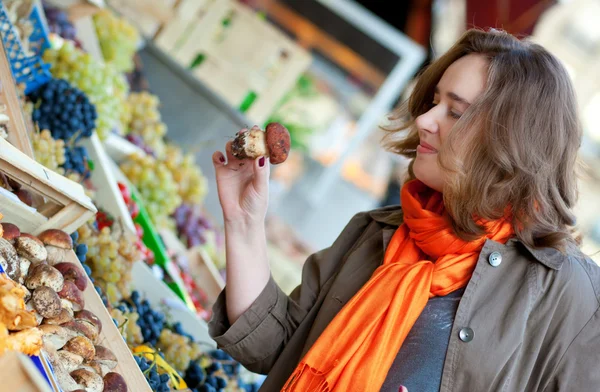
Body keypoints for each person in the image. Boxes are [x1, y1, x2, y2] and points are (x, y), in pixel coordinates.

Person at [208, 28, 600, 392]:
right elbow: (278, 346)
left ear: (514, 141)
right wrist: (244, 221)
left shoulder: (572, 298)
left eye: (456, 112)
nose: (425, 120)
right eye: (433, 102)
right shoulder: (378, 230)